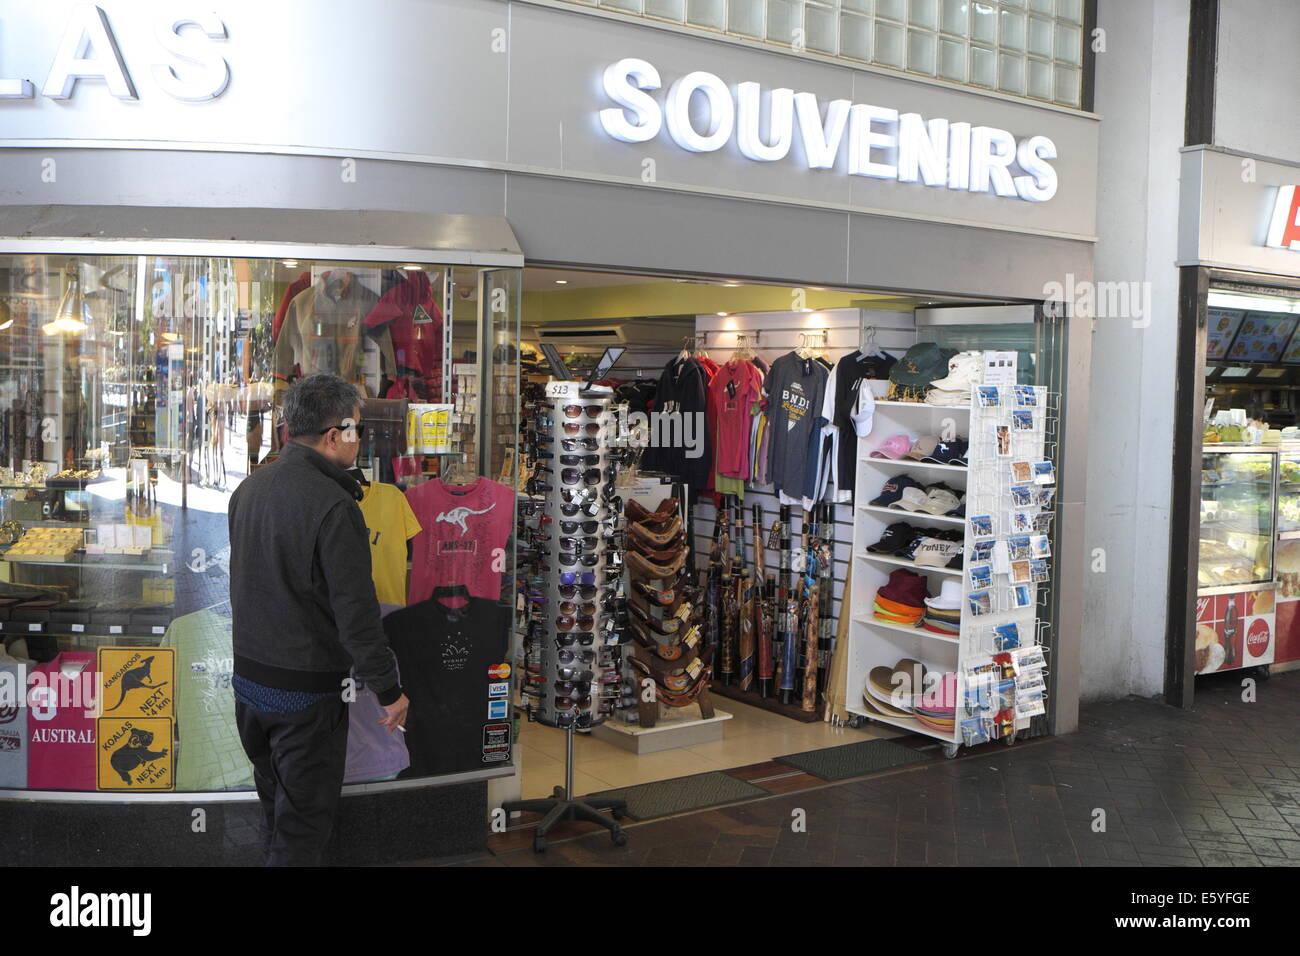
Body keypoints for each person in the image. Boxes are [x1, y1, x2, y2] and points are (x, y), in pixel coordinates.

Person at [228, 374, 409, 866]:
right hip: (303, 696)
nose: (360, 438)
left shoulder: (249, 488)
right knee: (303, 831)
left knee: (277, 816)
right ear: (335, 434)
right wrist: (389, 691)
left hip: (249, 685)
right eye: (358, 428)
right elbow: (357, 614)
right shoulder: (335, 506)